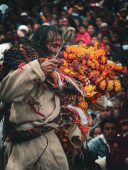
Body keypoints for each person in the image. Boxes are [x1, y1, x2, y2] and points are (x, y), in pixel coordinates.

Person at [0, 25, 107, 170]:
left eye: (59, 46)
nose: (57, 51)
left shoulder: (63, 72)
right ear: (40, 43)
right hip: (25, 141)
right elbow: (6, 93)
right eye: (53, 45)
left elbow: (101, 104)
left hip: (54, 138)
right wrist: (38, 69)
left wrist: (92, 79)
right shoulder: (22, 62)